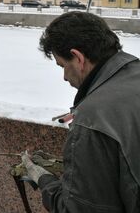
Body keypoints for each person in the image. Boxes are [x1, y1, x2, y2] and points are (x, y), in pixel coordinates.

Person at [22, 12, 140, 212]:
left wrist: (45, 182)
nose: (64, 77)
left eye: (63, 65)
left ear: (78, 58)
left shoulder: (91, 119)